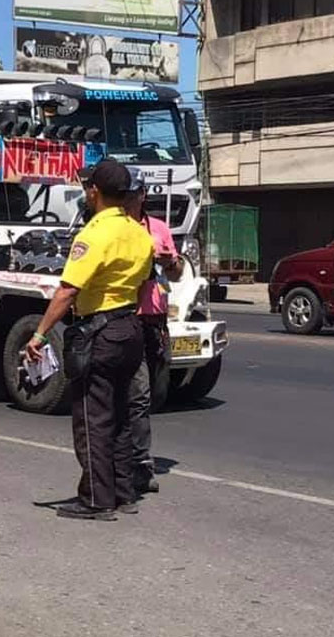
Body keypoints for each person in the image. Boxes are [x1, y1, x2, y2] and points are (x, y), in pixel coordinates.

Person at [24, 161, 153, 520]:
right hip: (129, 327)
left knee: (92, 418)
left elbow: (67, 291)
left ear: (94, 190)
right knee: (121, 417)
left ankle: (96, 499)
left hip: (100, 331)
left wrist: (38, 333)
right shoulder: (139, 232)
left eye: (86, 187)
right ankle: (124, 493)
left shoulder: (93, 234)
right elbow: (144, 285)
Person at [124, 185, 184, 495]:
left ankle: (133, 457)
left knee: (156, 393)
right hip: (128, 318)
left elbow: (176, 272)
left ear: (143, 196)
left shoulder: (158, 228)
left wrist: (169, 261)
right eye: (127, 193)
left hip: (156, 321)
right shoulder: (117, 228)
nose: (132, 199)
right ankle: (139, 465)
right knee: (139, 394)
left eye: (136, 193)